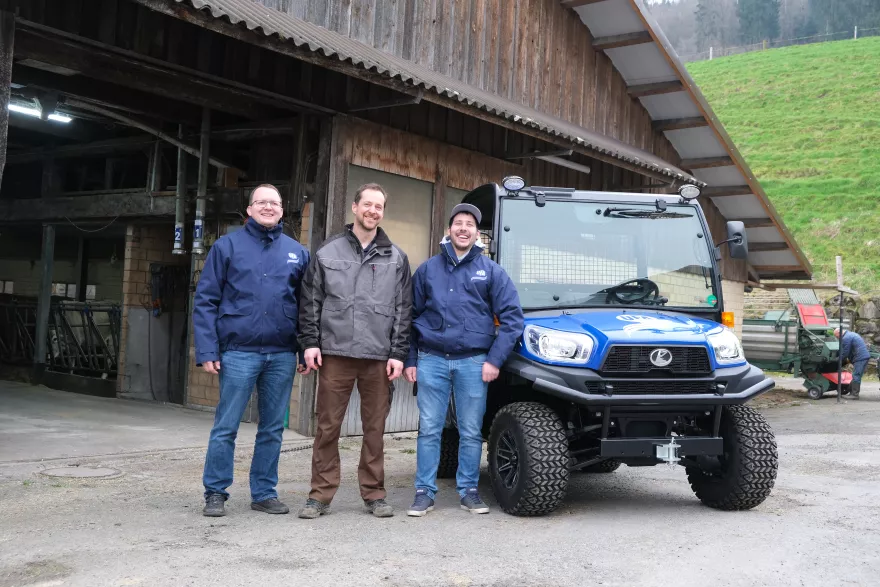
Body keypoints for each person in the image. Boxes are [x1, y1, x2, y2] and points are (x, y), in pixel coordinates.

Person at [297, 183, 412, 519]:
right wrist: (310, 343)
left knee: (375, 429)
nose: (372, 211)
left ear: (382, 212)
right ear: (354, 207)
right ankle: (319, 494)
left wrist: (398, 353)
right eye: (367, 205)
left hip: (378, 357)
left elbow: (404, 309)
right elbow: (311, 302)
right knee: (328, 427)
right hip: (335, 354)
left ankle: (374, 494)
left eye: (379, 207)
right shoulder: (327, 252)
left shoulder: (397, 257)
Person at [193, 184, 310, 517]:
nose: (268, 207)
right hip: (238, 352)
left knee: (272, 427)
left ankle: (264, 492)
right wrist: (207, 349)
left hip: (282, 354)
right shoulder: (226, 246)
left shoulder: (296, 252)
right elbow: (205, 300)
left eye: (274, 202)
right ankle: (215, 492)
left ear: (282, 210)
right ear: (249, 209)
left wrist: (305, 347)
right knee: (226, 425)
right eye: (262, 202)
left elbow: (306, 306)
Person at [404, 203, 524, 517]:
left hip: (474, 362)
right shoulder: (428, 269)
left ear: (476, 233)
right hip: (431, 360)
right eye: (458, 223)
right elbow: (410, 317)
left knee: (470, 430)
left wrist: (494, 360)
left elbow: (512, 319)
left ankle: (468, 490)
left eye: (469, 224)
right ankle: (423, 492)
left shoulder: (492, 271)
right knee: (430, 429)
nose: (463, 228)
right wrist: (411, 359)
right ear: (449, 229)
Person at [834, 328, 871, 399]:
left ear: (839, 333)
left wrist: (837, 359)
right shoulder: (852, 334)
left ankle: (854, 395)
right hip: (863, 356)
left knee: (856, 375)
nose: (837, 338)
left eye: (837, 336)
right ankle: (850, 391)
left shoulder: (846, 338)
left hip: (860, 357)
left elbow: (845, 352)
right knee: (856, 375)